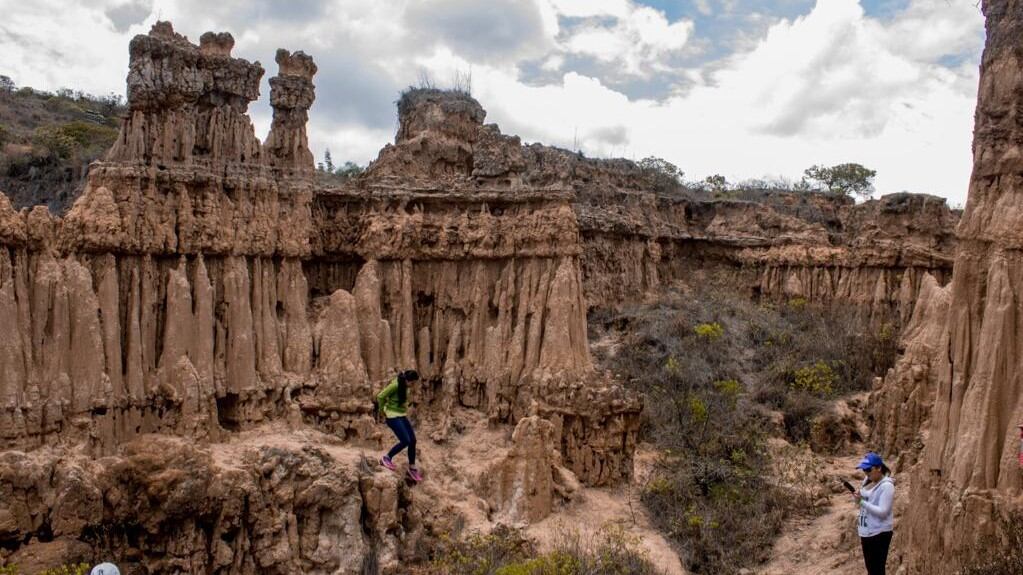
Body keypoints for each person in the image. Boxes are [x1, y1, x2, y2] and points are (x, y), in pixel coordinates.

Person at [853, 452, 895, 575]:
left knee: (877, 570)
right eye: (864, 470)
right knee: (872, 569)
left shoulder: (887, 486)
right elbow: (863, 499)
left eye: (868, 469)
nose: (866, 473)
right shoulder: (868, 480)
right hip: (867, 532)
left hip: (879, 533)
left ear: (879, 468)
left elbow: (883, 511)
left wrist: (861, 502)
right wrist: (858, 497)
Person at [377, 369, 422, 482]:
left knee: (413, 440)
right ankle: (386, 458)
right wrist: (382, 411)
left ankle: (411, 467)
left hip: (401, 415)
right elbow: (380, 396)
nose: (412, 386)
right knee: (405, 440)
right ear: (407, 380)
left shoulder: (404, 385)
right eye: (411, 383)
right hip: (392, 416)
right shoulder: (396, 385)